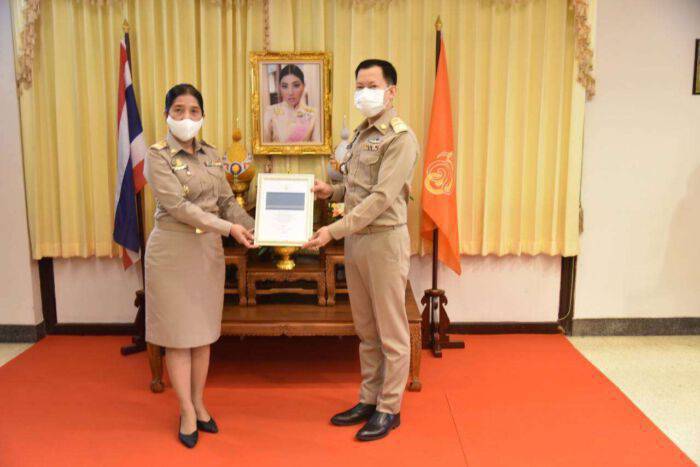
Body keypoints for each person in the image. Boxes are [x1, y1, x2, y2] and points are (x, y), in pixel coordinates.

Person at [303, 59, 418, 441]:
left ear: (391, 92)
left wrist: (332, 231)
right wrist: (331, 191)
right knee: (366, 330)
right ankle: (369, 399)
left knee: (391, 332)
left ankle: (389, 408)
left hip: (384, 241)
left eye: (372, 86)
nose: (364, 93)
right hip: (357, 241)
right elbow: (358, 190)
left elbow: (382, 198)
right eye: (360, 86)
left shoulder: (400, 138)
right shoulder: (360, 134)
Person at [144, 83, 255, 448]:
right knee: (179, 337)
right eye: (178, 110)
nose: (186, 117)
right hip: (173, 251)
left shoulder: (212, 155)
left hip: (207, 251)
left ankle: (200, 403)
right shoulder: (157, 156)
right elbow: (179, 207)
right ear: (167, 115)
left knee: (203, 334)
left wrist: (257, 228)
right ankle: (186, 411)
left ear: (203, 115)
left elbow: (227, 202)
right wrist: (229, 229)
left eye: (193, 110)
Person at [263, 64, 320, 143]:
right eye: (285, 86)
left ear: (303, 86)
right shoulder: (270, 112)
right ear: (279, 88)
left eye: (296, 85)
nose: (290, 92)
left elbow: (318, 147)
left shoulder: (314, 114)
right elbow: (263, 147)